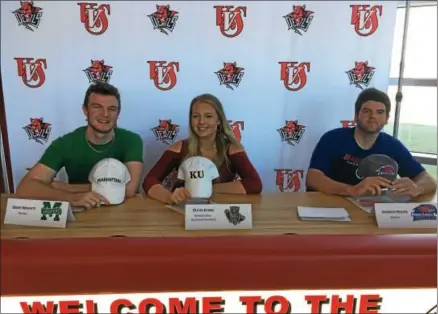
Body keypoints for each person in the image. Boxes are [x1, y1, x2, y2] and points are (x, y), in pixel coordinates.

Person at [16, 82, 144, 209]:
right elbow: (25, 188)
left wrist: (67, 188)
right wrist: (71, 198)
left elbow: (129, 190)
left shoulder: (132, 140)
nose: (105, 114)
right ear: (85, 110)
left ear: (118, 113)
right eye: (97, 107)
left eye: (112, 109)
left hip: (122, 212)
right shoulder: (65, 143)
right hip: (81, 211)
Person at [306, 87, 437, 198]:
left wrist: (416, 188)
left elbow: (429, 180)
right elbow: (313, 178)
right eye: (367, 111)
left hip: (372, 212)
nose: (373, 116)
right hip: (331, 207)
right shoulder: (333, 138)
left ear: (386, 119)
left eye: (380, 112)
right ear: (356, 115)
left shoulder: (393, 146)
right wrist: (352, 190)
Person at [143, 93, 262, 204]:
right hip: (184, 213)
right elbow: (149, 181)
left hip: (218, 214)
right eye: (196, 116)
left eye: (208, 116)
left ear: (218, 120)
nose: (201, 122)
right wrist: (170, 197)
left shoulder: (232, 149)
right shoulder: (179, 148)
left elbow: (254, 184)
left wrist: (204, 187)